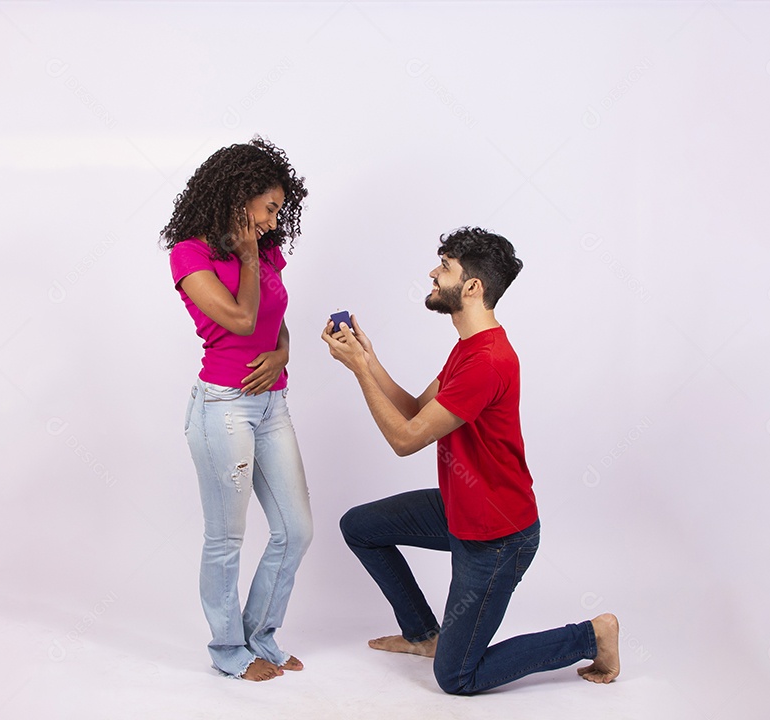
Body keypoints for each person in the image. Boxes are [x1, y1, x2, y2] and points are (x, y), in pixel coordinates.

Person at [321, 227, 620, 695]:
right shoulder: (469, 348)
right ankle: (425, 635)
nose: (433, 274)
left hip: (497, 537)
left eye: (444, 267)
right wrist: (369, 358)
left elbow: (405, 440)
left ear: (473, 286)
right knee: (360, 526)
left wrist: (358, 372)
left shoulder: (488, 361)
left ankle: (591, 635)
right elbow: (417, 411)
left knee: (457, 677)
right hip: (461, 508)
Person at [162, 137, 312, 682]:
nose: (274, 222)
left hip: (272, 404)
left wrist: (285, 353)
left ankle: (260, 635)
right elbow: (242, 320)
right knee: (226, 537)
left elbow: (275, 317)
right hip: (222, 408)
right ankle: (228, 650)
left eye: (279, 211)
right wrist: (248, 257)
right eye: (269, 208)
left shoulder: (267, 251)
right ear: (239, 196)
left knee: (295, 530)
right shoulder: (190, 254)